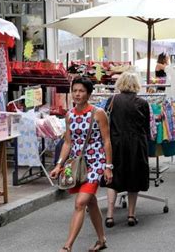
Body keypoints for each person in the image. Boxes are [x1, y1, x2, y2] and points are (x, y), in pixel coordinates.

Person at [50, 76, 113, 252]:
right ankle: (101, 240)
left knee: (80, 203)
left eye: (81, 91)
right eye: (75, 90)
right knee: (90, 201)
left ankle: (67, 245)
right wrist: (59, 164)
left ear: (89, 94)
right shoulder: (69, 115)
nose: (77, 94)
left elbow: (107, 141)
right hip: (77, 164)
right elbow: (68, 143)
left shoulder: (98, 113)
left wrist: (108, 167)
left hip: (96, 162)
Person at [104, 72, 150, 228]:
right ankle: (131, 215)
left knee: (113, 179)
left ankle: (110, 215)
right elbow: (146, 128)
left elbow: (106, 123)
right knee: (134, 178)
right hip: (136, 144)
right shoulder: (142, 103)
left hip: (115, 143)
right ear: (136, 85)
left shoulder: (112, 100)